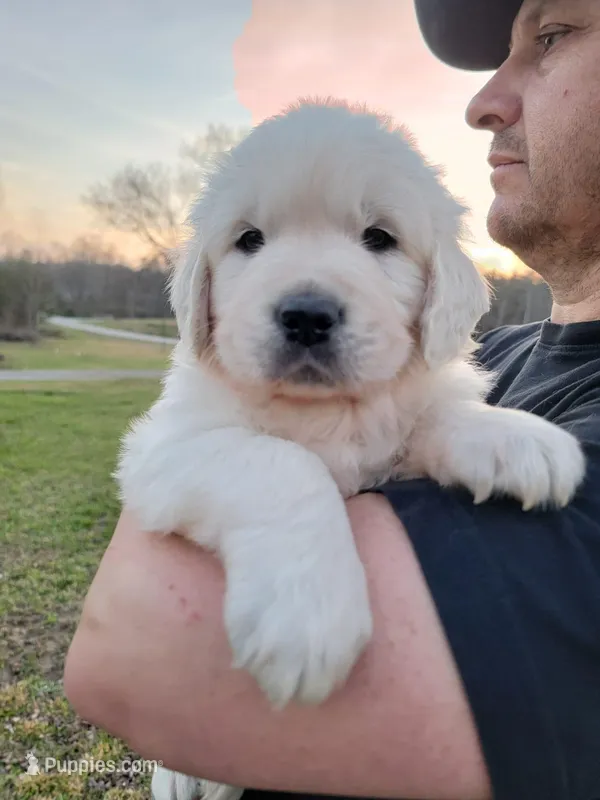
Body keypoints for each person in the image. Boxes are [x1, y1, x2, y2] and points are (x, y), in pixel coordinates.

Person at [63, 0, 600, 798]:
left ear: (439, 292)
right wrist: (286, 503)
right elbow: (163, 466)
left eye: (378, 239)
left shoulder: (454, 391)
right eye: (249, 240)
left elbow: (136, 640)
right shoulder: (510, 363)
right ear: (199, 295)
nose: (307, 299)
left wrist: (448, 427)